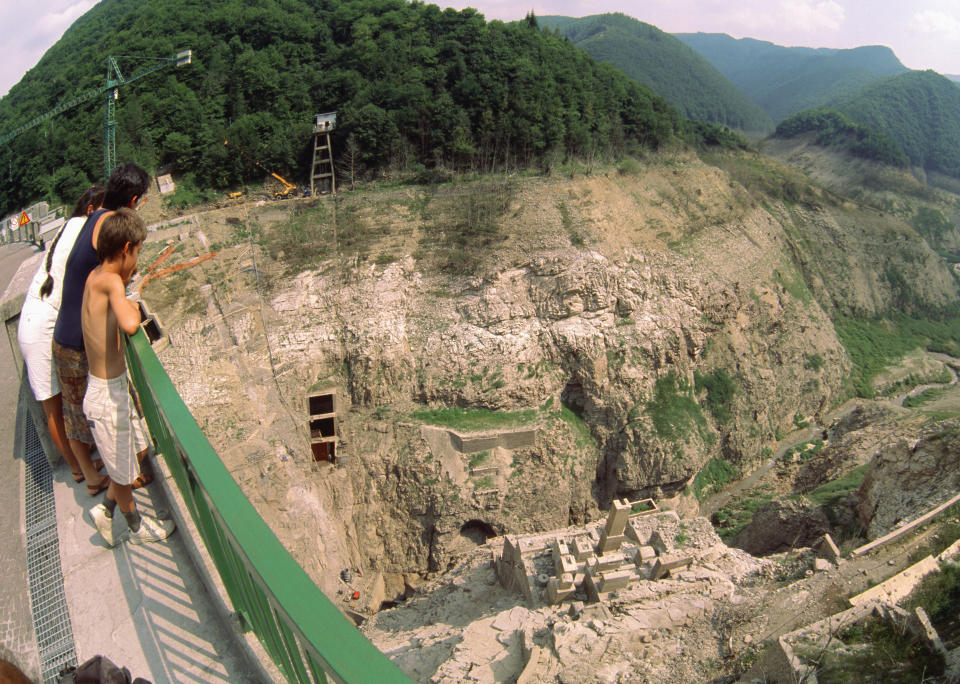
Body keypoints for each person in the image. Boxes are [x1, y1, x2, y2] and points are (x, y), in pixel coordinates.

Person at [53, 163, 151, 496]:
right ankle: (113, 487)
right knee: (87, 418)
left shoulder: (95, 217)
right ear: (134, 198)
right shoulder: (112, 225)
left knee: (79, 414)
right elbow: (116, 280)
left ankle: (108, 480)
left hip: (67, 332)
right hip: (77, 342)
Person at [83, 208, 174, 545]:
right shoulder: (109, 281)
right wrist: (133, 305)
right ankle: (136, 526)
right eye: (136, 252)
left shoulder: (94, 276)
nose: (136, 260)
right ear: (125, 249)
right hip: (105, 396)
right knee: (121, 469)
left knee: (127, 458)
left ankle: (104, 512)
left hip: (106, 389)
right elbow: (130, 324)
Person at [17, 186, 106, 492]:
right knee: (53, 406)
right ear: (93, 208)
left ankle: (82, 465)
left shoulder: (72, 226)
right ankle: (79, 471)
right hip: (38, 322)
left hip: (40, 315)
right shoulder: (83, 228)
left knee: (62, 404)